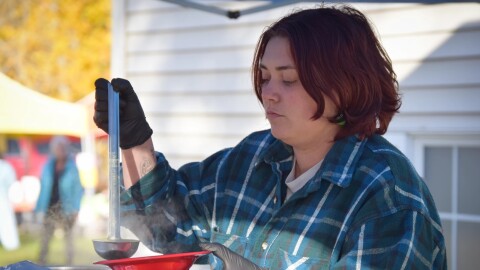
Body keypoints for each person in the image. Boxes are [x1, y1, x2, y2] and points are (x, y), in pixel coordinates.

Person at [93, 5, 447, 269]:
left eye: (288, 79)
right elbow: (169, 227)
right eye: (264, 77)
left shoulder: (388, 200)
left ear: (344, 86)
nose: (268, 93)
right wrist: (135, 141)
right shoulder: (252, 158)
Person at [35, 136, 84, 265]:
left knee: (68, 238)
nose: (60, 150)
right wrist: (38, 208)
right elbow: (43, 187)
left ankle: (70, 262)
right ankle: (41, 262)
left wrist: (76, 208)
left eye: (62, 147)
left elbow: (78, 189)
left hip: (67, 208)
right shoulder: (48, 166)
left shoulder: (72, 167)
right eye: (57, 148)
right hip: (49, 206)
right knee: (45, 238)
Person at [0, 150, 20, 251]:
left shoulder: (5, 167)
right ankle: (10, 244)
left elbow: (11, 182)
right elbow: (12, 181)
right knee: (6, 222)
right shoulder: (6, 167)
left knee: (6, 222)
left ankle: (11, 245)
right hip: (3, 198)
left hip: (3, 198)